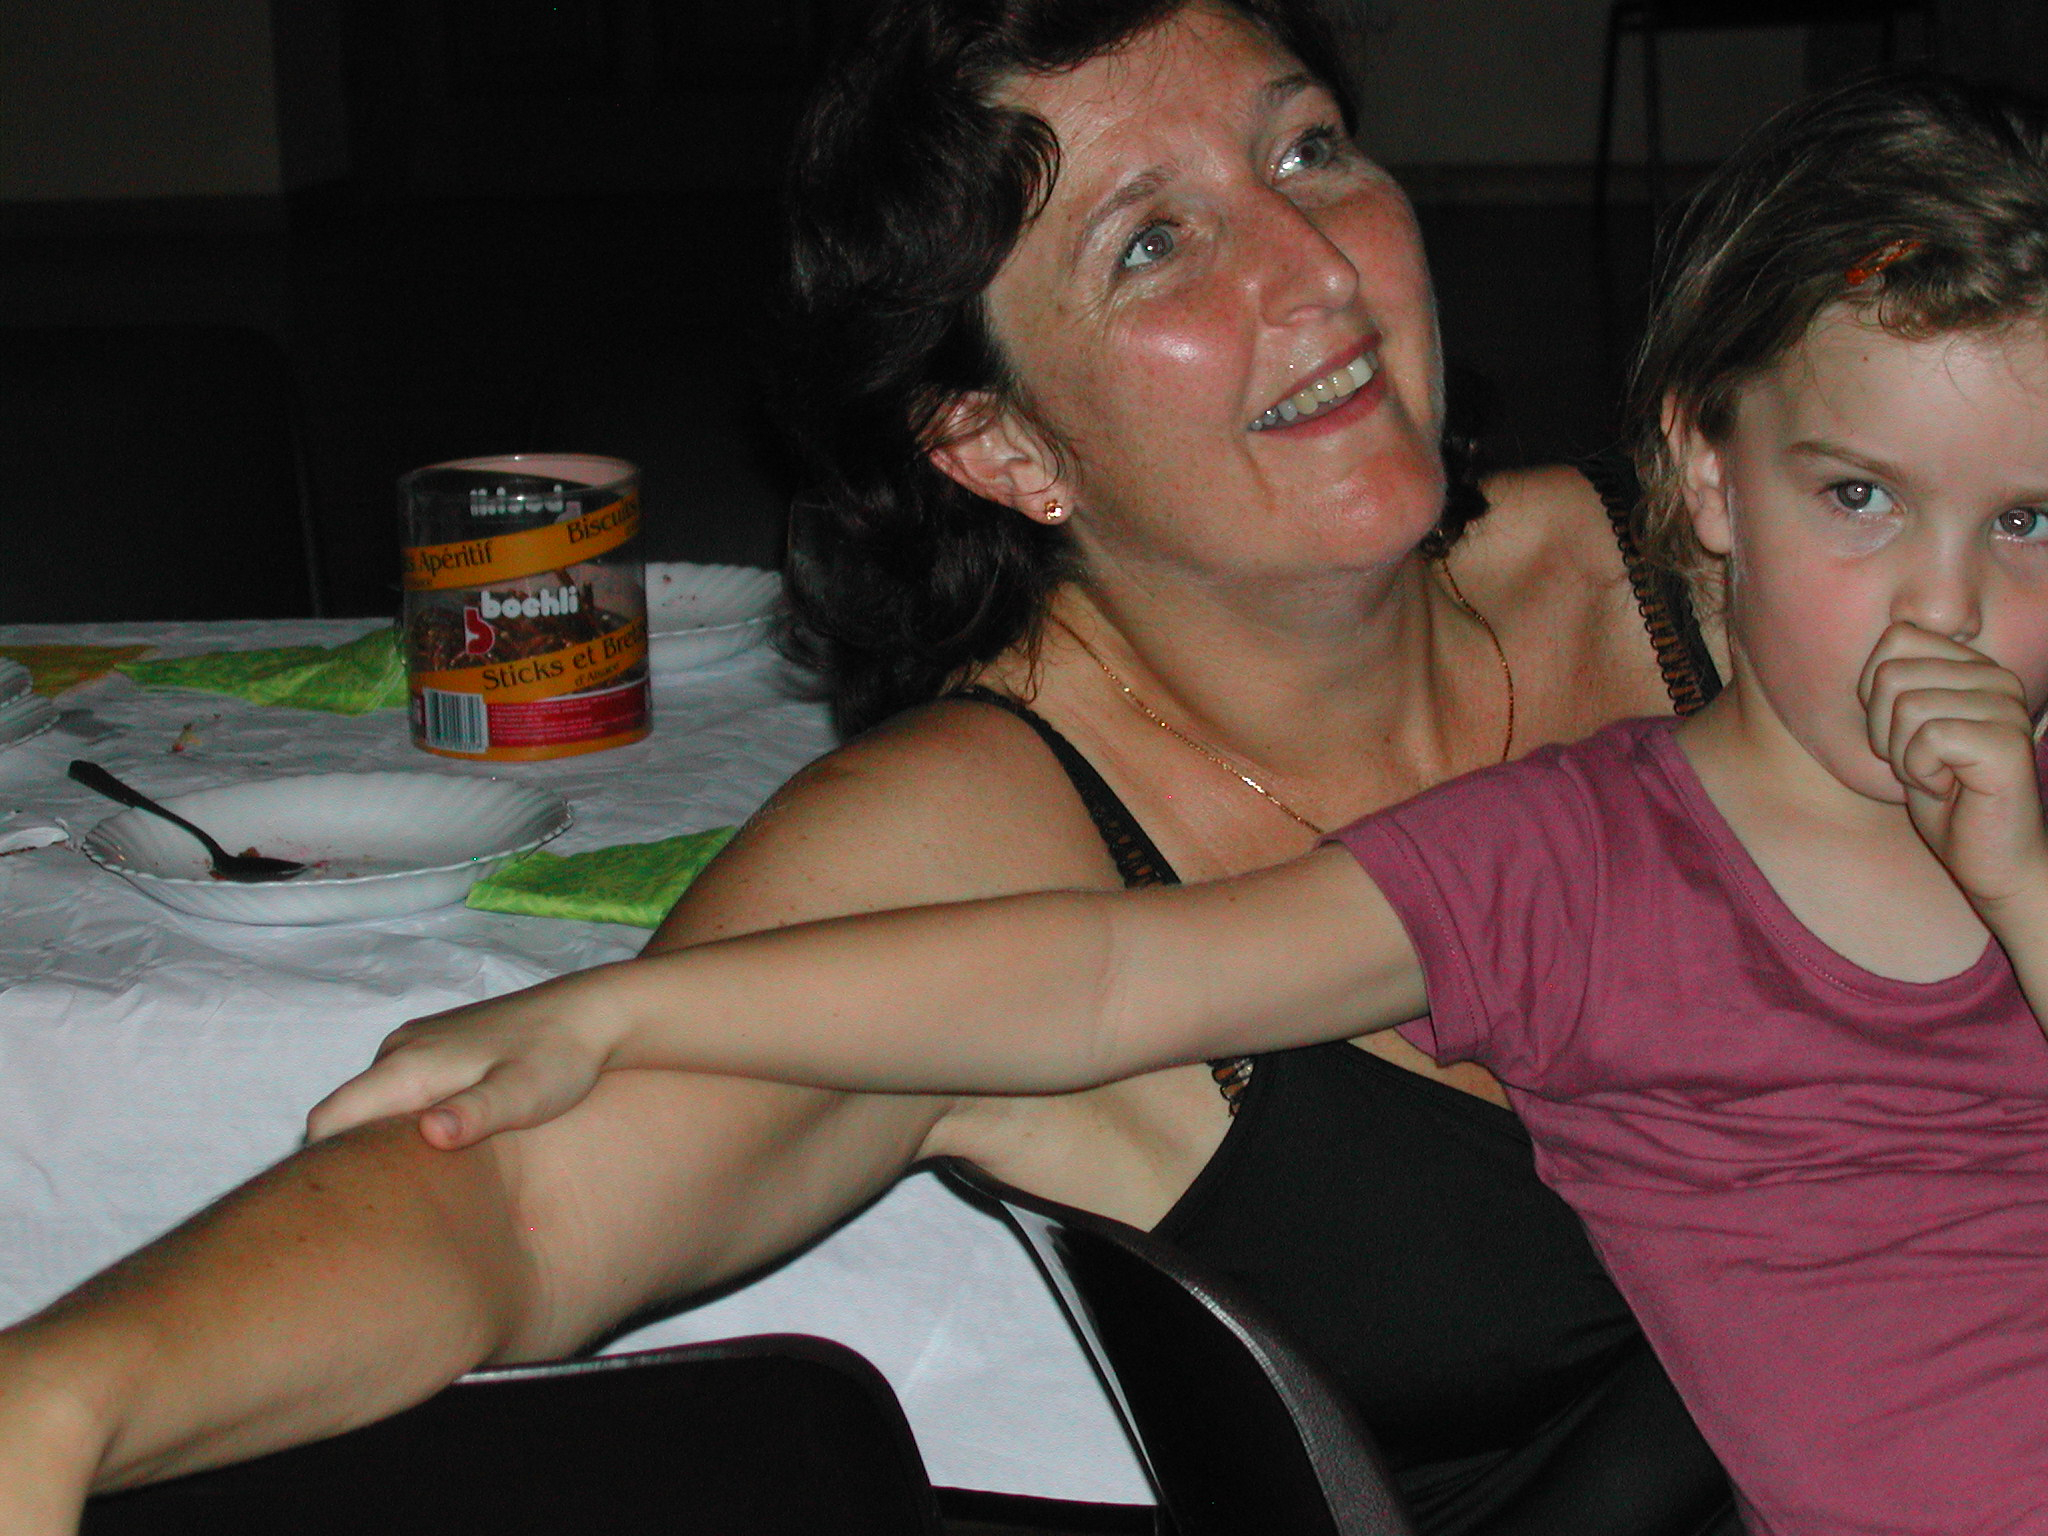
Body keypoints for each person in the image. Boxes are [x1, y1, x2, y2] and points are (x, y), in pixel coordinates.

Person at [0, 2, 1736, 1531]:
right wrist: (57, 1404)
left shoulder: (1728, 568)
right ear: (1001, 440)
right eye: (1152, 244)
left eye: (1309, 149)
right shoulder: (993, 834)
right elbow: (512, 1199)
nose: (1313, 266)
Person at [314, 72, 2048, 1536]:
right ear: (1708, 478)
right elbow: (1103, 979)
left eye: (2029, 520)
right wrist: (623, 1011)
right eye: (1861, 498)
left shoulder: (1929, 767)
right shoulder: (1575, 851)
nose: (1946, 608)